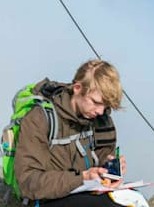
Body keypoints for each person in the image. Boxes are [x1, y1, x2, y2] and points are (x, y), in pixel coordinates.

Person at [13, 59, 129, 206]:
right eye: (95, 102)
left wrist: (110, 170)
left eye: (105, 105)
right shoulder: (40, 118)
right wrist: (82, 178)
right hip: (47, 200)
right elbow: (28, 182)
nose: (100, 111)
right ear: (77, 88)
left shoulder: (101, 120)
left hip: (87, 194)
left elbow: (101, 168)